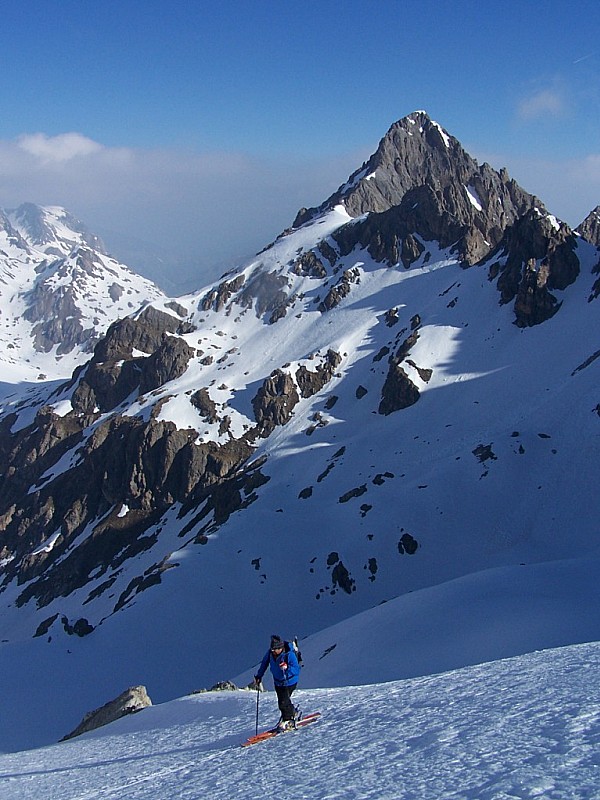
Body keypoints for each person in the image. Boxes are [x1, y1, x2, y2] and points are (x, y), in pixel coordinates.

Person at [254, 634, 301, 732]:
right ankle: (292, 713)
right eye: (272, 649)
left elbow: (296, 669)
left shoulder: (289, 655)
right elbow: (264, 663)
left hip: (289, 681)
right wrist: (259, 676)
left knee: (283, 702)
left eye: (275, 649)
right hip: (278, 682)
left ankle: (288, 720)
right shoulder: (270, 654)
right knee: (283, 701)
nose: (273, 651)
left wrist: (287, 668)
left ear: (280, 648)